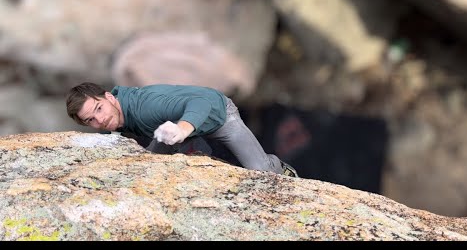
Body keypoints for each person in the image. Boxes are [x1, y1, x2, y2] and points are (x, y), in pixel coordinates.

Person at [65, 82, 299, 177]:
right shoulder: (114, 120)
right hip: (176, 131)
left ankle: (278, 166)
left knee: (262, 172)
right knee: (148, 166)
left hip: (218, 115)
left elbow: (201, 103)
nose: (101, 120)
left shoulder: (147, 106)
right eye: (91, 120)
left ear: (108, 97)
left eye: (99, 108)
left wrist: (183, 129)